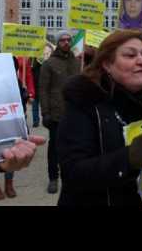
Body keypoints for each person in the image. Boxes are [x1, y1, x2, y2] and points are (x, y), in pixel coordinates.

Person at [57, 29, 142, 206]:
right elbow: (73, 173)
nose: (141, 61)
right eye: (130, 55)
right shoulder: (84, 101)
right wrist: (126, 159)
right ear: (107, 64)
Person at [39, 30, 80, 194]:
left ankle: (70, 177)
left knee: (74, 148)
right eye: (62, 40)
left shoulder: (77, 62)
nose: (66, 43)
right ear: (58, 43)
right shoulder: (49, 64)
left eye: (68, 40)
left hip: (75, 113)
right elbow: (43, 90)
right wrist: (45, 113)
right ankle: (53, 179)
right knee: (54, 148)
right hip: (56, 114)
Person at [0, 56, 32, 200]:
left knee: (12, 153)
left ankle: (9, 183)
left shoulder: (17, 82)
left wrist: (25, 95)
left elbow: (20, 106)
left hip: (13, 124)